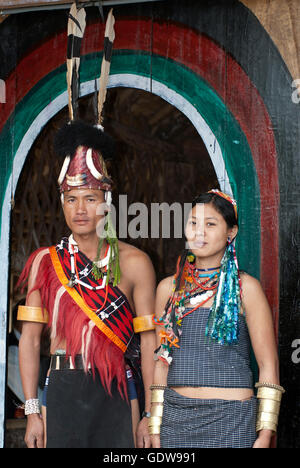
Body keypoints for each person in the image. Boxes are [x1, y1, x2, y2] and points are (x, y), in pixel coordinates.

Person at [17, 120, 156, 448]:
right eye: (71, 199)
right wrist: (33, 411)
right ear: (62, 203)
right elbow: (31, 341)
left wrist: (151, 414)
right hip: (64, 386)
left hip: (119, 390)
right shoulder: (46, 262)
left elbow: (150, 343)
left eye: (90, 199)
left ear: (107, 201)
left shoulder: (136, 263)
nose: (80, 210)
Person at [149, 190, 284, 448]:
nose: (199, 232)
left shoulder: (247, 289)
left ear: (231, 233)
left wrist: (265, 434)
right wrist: (156, 425)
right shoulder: (169, 289)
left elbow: (268, 365)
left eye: (210, 224)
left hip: (232, 421)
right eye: (193, 223)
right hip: (177, 422)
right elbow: (161, 363)